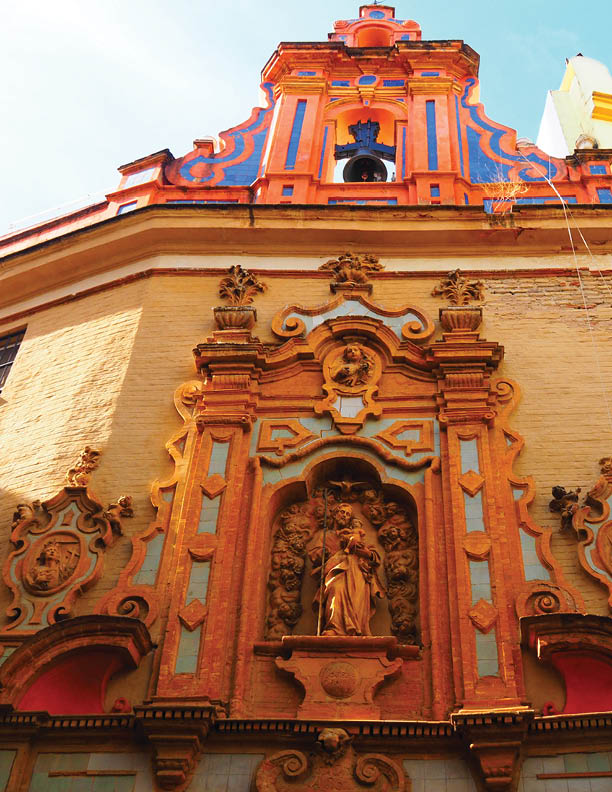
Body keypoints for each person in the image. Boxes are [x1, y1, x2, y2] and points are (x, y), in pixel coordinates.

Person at [310, 502, 384, 636]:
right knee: (335, 590)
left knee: (357, 600)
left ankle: (357, 629)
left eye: (348, 514)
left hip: (357, 571)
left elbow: (374, 555)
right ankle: (334, 628)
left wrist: (361, 550)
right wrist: (324, 553)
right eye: (342, 512)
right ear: (334, 514)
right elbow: (315, 555)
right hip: (335, 570)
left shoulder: (356, 534)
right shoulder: (326, 535)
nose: (344, 516)